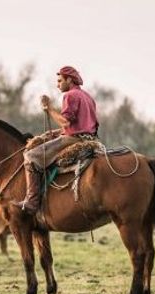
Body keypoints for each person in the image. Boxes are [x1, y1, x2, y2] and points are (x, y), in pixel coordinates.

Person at [12, 66, 99, 214]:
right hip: (90, 138)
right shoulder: (87, 96)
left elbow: (65, 122)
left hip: (74, 140)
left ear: (69, 80)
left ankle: (32, 202)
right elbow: (83, 124)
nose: (57, 84)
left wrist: (49, 108)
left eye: (60, 81)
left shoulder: (70, 95)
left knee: (30, 156)